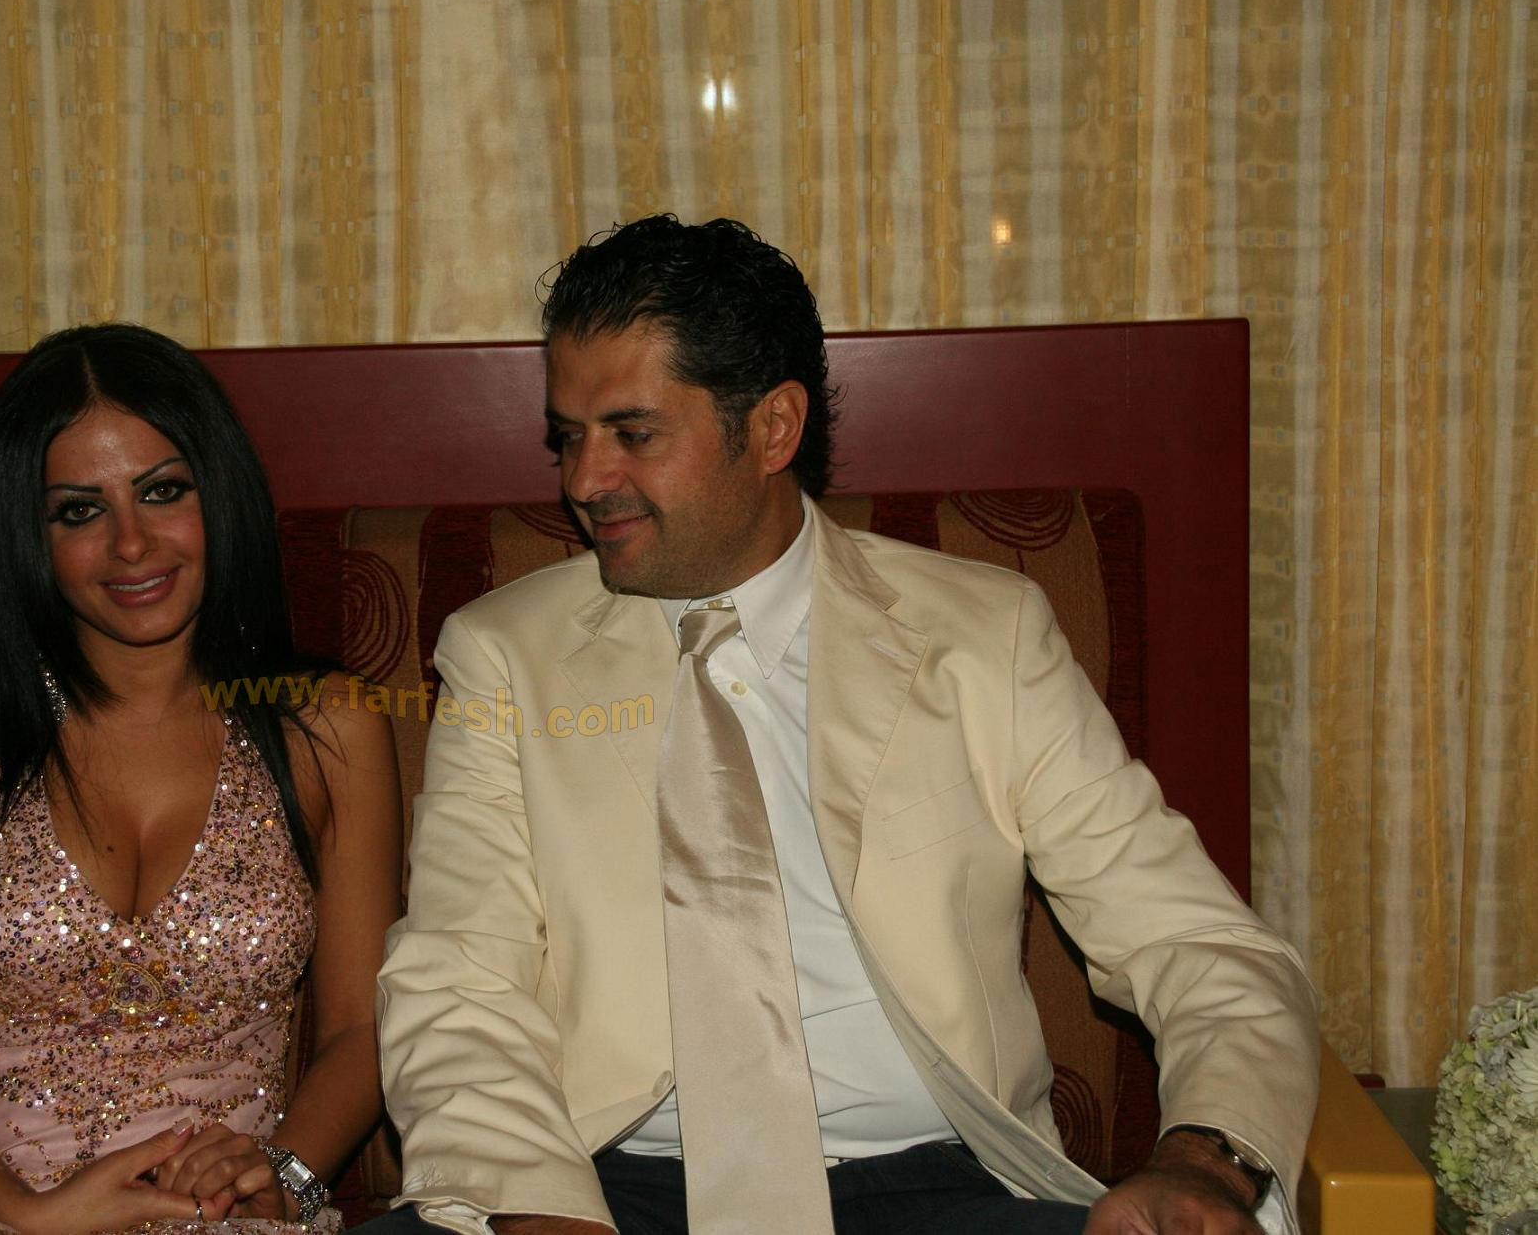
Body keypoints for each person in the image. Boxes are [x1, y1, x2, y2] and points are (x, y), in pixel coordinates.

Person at [370, 217, 1319, 1235]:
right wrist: (533, 1210)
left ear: (773, 428)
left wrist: (1206, 1159)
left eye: (632, 433)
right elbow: (457, 978)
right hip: (612, 1185)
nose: (583, 479)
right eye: (568, 436)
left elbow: (1193, 939)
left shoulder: (981, 636)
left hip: (941, 1190)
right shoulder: (504, 652)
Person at [0, 324, 402, 1234]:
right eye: (79, 511)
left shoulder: (326, 724)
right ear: (28, 535)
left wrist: (287, 1175)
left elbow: (361, 1028)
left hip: (218, 1214)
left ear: (219, 493)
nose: (130, 544)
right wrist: (28, 1214)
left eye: (162, 491)